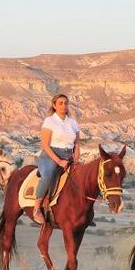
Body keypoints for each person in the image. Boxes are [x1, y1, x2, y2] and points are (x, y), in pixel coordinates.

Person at [33, 94, 81, 225]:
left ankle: (83, 211)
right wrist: (59, 161)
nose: (63, 106)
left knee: (83, 177)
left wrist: (75, 159)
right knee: (47, 176)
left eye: (65, 103)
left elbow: (77, 144)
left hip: (69, 155)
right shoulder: (49, 121)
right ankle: (37, 208)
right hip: (51, 155)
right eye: (60, 103)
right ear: (54, 105)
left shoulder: (73, 122)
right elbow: (45, 145)